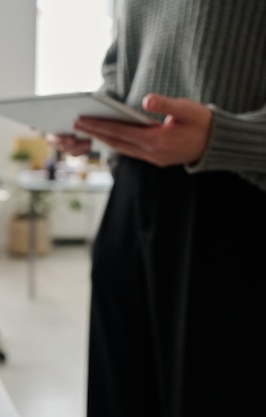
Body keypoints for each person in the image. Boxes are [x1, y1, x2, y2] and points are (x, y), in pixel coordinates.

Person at [49, 2, 266, 417]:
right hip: (132, 193)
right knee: (118, 392)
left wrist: (224, 136)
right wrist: (98, 122)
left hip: (231, 197)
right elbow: (121, 71)